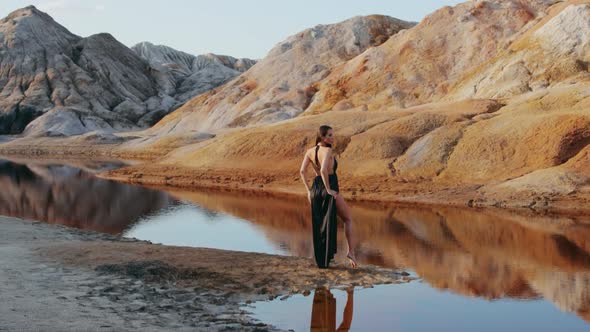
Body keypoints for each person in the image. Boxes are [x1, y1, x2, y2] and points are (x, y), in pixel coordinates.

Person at [299, 125, 357, 268]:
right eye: (330, 135)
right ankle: (351, 252)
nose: (333, 137)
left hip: (315, 189)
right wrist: (329, 189)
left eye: (332, 134)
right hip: (328, 187)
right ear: (323, 137)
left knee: (321, 225)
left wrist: (308, 191)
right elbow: (324, 170)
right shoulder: (327, 150)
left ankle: (324, 259)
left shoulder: (310, 151)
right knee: (348, 219)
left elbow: (302, 171)